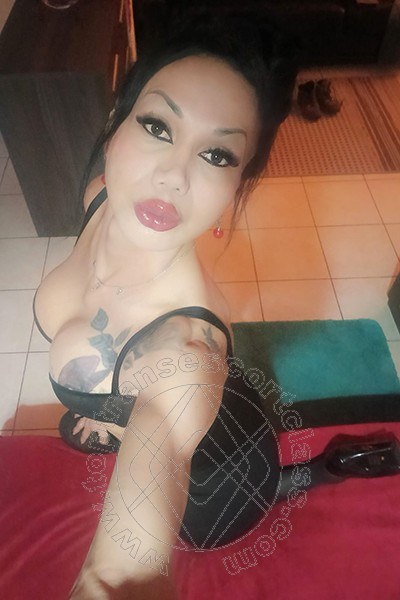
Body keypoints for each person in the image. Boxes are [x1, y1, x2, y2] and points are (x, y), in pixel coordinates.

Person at [29, 12, 399, 600]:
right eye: (157, 126)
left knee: (214, 516)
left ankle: (323, 470)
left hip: (218, 486)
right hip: (223, 414)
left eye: (218, 155)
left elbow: (118, 577)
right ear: (116, 120)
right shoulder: (100, 195)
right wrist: (106, 411)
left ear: (239, 182)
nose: (172, 177)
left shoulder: (183, 354)